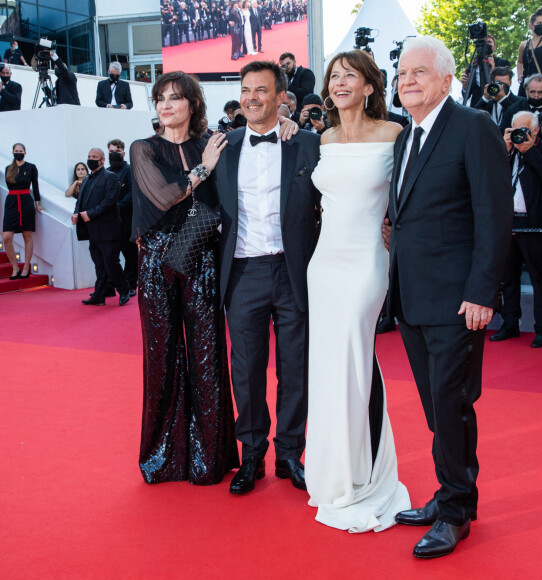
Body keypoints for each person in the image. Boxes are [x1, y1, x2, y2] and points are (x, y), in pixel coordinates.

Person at [383, 36, 512, 558]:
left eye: (418, 72)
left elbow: (493, 216)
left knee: (453, 405)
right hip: (413, 298)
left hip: (458, 301)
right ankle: (448, 493)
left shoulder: (473, 127)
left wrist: (482, 291)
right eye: (402, 74)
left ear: (445, 79)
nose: (407, 81)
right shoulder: (404, 138)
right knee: (439, 409)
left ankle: (457, 510)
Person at [304, 50, 411, 533]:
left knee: (354, 353)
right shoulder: (323, 137)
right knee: (329, 365)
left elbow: (415, 190)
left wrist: (399, 228)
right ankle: (335, 471)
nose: (340, 82)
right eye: (334, 76)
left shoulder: (394, 135)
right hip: (323, 266)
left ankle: (365, 474)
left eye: (350, 76)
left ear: (369, 86)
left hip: (367, 262)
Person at [213, 60, 320, 495]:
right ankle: (252, 454)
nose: (252, 98)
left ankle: (290, 454)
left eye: (261, 90)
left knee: (295, 369)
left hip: (294, 271)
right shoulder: (222, 145)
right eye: (246, 90)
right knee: (247, 370)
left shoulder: (308, 144)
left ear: (281, 98)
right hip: (242, 272)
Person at [130, 71, 239, 484]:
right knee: (162, 355)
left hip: (202, 258)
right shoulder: (145, 148)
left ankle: (210, 458)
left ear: (192, 104)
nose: (165, 105)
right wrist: (202, 169)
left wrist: (287, 123)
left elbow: (251, 143)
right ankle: (164, 458)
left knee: (208, 354)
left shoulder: (211, 142)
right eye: (160, 99)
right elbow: (162, 196)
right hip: (157, 262)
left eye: (175, 98)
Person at [490, 111, 542, 347]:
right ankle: (510, 324)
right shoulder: (505, 151)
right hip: (508, 223)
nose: (520, 135)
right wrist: (505, 147)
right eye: (515, 130)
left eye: (525, 130)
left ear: (536, 130)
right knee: (508, 278)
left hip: (536, 226)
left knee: (540, 279)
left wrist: (529, 151)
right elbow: (490, 177)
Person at [72, 148, 131, 306]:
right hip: (92, 230)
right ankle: (100, 295)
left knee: (111, 263)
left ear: (102, 160)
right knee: (99, 264)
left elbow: (110, 200)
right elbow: (80, 201)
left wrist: (90, 213)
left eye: (94, 157)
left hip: (108, 230)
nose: (91, 159)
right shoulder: (86, 180)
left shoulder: (111, 177)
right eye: (89, 156)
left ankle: (124, 290)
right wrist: (76, 214)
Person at [2, 143, 44, 279]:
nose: (18, 153)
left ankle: (26, 266)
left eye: (21, 151)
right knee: (7, 237)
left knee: (27, 236)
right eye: (16, 151)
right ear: (13, 152)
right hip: (11, 202)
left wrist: (37, 203)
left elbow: (36, 187)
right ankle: (15, 268)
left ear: (25, 153)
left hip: (26, 201)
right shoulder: (8, 168)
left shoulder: (31, 167)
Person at [107, 139, 138, 295]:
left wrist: (115, 208)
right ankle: (114, 284)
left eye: (117, 152)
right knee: (111, 255)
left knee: (130, 254)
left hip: (126, 221)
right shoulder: (106, 172)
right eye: (111, 152)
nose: (114, 154)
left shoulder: (130, 171)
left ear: (123, 153)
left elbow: (133, 194)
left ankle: (132, 284)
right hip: (109, 223)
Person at [461, 34, 510, 107]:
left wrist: (493, 69)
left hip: (495, 105)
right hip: (477, 106)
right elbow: (466, 96)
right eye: (483, 42)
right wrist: (465, 87)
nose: (485, 45)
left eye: (489, 42)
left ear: (494, 47)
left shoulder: (503, 63)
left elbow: (506, 88)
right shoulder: (473, 66)